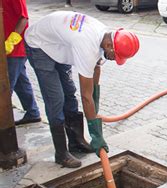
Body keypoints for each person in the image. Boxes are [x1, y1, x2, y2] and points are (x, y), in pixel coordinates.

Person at [25, 11, 140, 168]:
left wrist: (96, 99)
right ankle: (61, 153)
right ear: (109, 45)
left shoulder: (104, 34)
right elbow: (86, 96)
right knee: (56, 99)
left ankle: (76, 142)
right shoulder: (87, 45)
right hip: (38, 45)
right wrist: (95, 133)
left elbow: (96, 67)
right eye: (116, 56)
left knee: (69, 94)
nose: (115, 60)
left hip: (57, 44)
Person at [3, 0, 41, 125]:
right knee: (20, 82)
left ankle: (4, 123)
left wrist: (11, 41)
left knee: (5, 86)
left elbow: (23, 18)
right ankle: (33, 112)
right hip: (7, 46)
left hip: (15, 48)